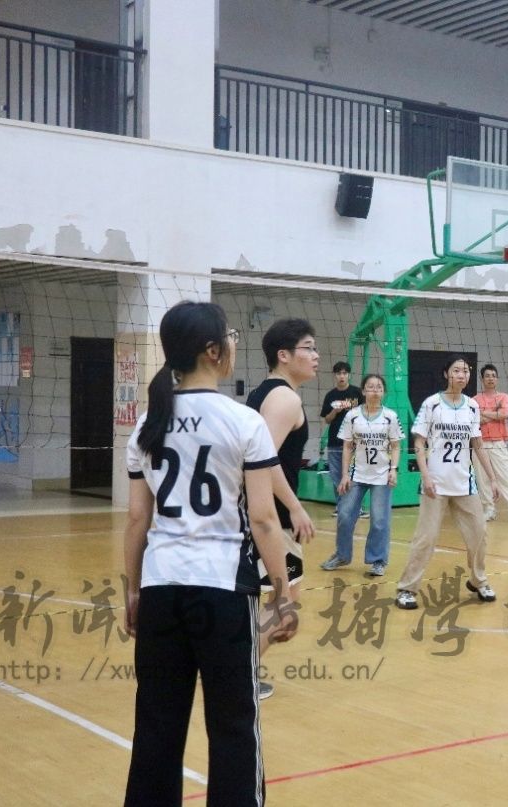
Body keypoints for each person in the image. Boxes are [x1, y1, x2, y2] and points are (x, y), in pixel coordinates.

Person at [122, 301, 298, 805]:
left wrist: (132, 591)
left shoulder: (147, 424)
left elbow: (137, 519)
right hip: (222, 591)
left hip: (161, 588)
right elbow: (263, 520)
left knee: (156, 725)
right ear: (213, 351)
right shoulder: (242, 421)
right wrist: (283, 595)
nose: (235, 343)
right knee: (234, 725)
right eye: (231, 336)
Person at [245, 318, 318, 699]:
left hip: (261, 511)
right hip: (270, 514)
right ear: (284, 355)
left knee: (277, 601)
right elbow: (263, 459)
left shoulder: (262, 393)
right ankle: (238, 678)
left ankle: (238, 672)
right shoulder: (285, 399)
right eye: (308, 348)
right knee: (282, 603)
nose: (316, 355)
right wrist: (295, 507)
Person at [395, 356, 500, 610]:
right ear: (446, 374)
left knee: (479, 534)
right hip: (436, 484)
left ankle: (478, 581)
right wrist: (425, 476)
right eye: (456, 371)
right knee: (426, 538)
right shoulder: (432, 404)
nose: (462, 375)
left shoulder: (472, 407)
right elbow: (419, 443)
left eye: (465, 371)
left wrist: (493, 478)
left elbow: (477, 444)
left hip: (465, 484)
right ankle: (407, 589)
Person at [321, 373, 402, 576]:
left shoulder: (390, 416)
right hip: (357, 474)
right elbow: (347, 446)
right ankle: (342, 555)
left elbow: (395, 446)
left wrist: (393, 469)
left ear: (384, 392)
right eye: (370, 387)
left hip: (382, 476)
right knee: (345, 514)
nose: (375, 390)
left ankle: (378, 561)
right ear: (363, 391)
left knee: (379, 520)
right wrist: (345, 475)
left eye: (379, 387)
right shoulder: (352, 415)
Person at [473, 363, 508, 523]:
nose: (490, 378)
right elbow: (475, 419)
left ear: (497, 379)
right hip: (479, 444)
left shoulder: (503, 397)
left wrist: (484, 413)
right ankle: (489, 509)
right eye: (487, 376)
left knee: (505, 476)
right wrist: (494, 414)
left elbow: (505, 413)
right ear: (482, 379)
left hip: (498, 443)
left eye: (493, 376)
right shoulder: (474, 400)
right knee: (482, 478)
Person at [321, 360, 364, 517]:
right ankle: (340, 507)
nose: (342, 376)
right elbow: (326, 419)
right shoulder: (330, 396)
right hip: (335, 441)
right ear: (335, 375)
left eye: (344, 373)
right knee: (336, 476)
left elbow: (367, 413)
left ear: (349, 375)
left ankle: (357, 508)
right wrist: (335, 411)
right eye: (339, 373)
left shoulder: (357, 393)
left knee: (354, 475)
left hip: (355, 442)